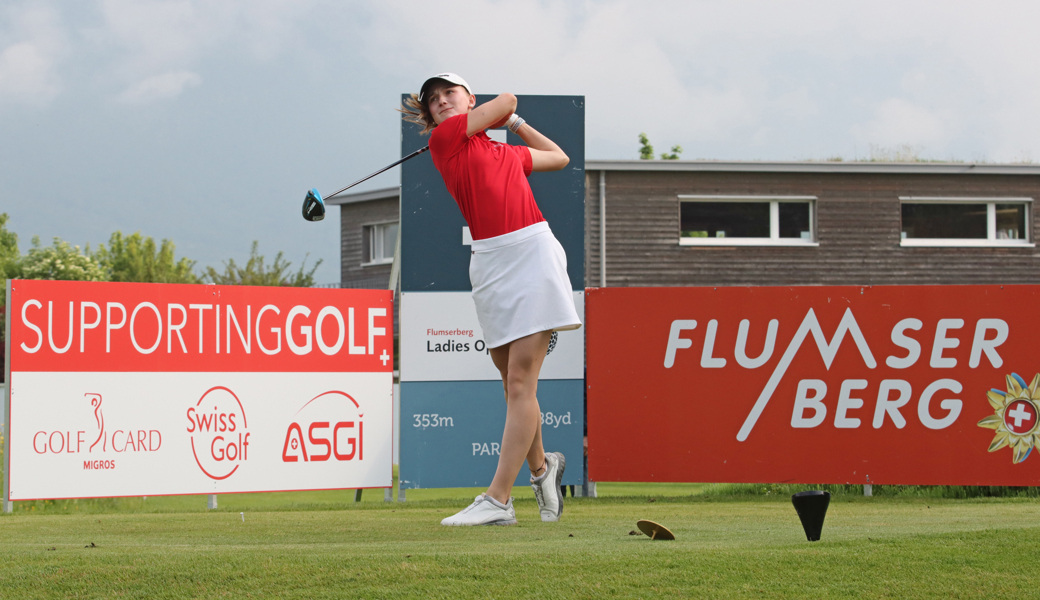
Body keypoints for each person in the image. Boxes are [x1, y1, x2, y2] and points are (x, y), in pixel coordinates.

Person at [401, 73, 581, 526]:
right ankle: (544, 470)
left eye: (449, 94)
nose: (441, 102)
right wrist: (490, 117)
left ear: (469, 98)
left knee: (521, 382)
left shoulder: (501, 151)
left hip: (533, 252)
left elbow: (557, 156)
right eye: (433, 100)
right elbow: (501, 104)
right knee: (511, 383)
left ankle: (498, 500)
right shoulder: (445, 139)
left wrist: (515, 121)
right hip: (490, 263)